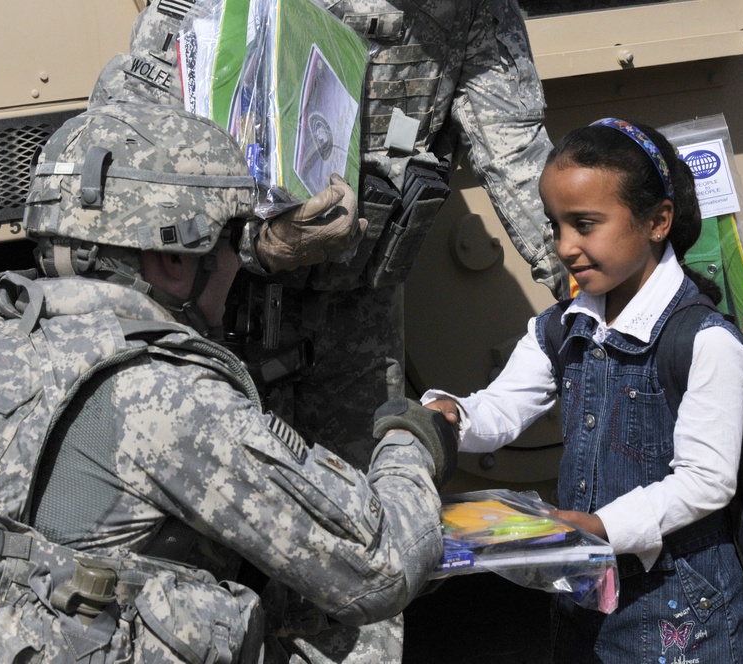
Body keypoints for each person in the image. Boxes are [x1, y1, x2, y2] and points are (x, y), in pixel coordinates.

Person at [0, 100, 458, 664]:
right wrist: (412, 441)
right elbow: (377, 566)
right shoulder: (161, 394)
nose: (243, 263)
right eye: (234, 240)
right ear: (173, 262)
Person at [90, 0, 563, 471]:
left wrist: (599, 284)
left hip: (359, 320)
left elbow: (517, 155)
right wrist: (254, 242)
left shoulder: (471, 10)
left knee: (368, 512)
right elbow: (129, 174)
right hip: (217, 310)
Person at [422, 119, 743, 663]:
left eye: (585, 224)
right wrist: (453, 416)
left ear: (658, 221)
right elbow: (506, 405)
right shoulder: (561, 327)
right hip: (589, 604)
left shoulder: (703, 341)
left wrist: (600, 526)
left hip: (681, 615)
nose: (565, 247)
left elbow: (706, 483)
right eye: (556, 225)